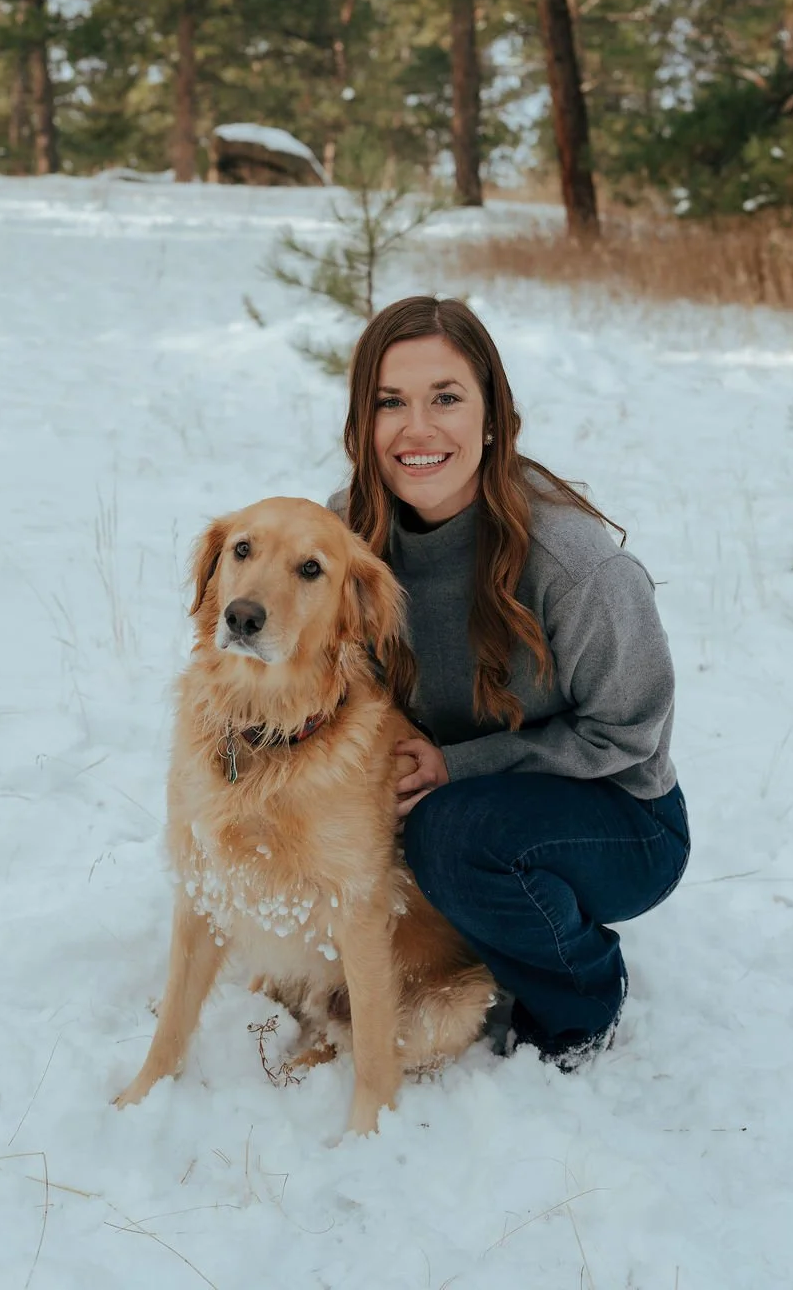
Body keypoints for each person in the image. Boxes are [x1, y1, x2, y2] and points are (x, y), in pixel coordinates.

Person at [329, 295, 689, 1071]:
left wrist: (459, 766)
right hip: (454, 790)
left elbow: (628, 734)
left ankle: (579, 1000)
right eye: (391, 401)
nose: (417, 428)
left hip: (621, 816)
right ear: (363, 423)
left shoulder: (574, 564)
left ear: (493, 417)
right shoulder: (349, 535)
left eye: (446, 398)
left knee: (453, 836)